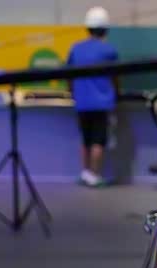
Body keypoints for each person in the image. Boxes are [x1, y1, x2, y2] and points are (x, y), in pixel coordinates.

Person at [67, 7, 119, 187]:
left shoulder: (76, 49)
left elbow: (68, 76)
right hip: (102, 103)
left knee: (85, 139)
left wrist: (73, 93)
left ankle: (85, 173)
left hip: (81, 102)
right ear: (105, 29)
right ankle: (95, 175)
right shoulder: (109, 50)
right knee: (98, 140)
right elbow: (115, 77)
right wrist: (117, 94)